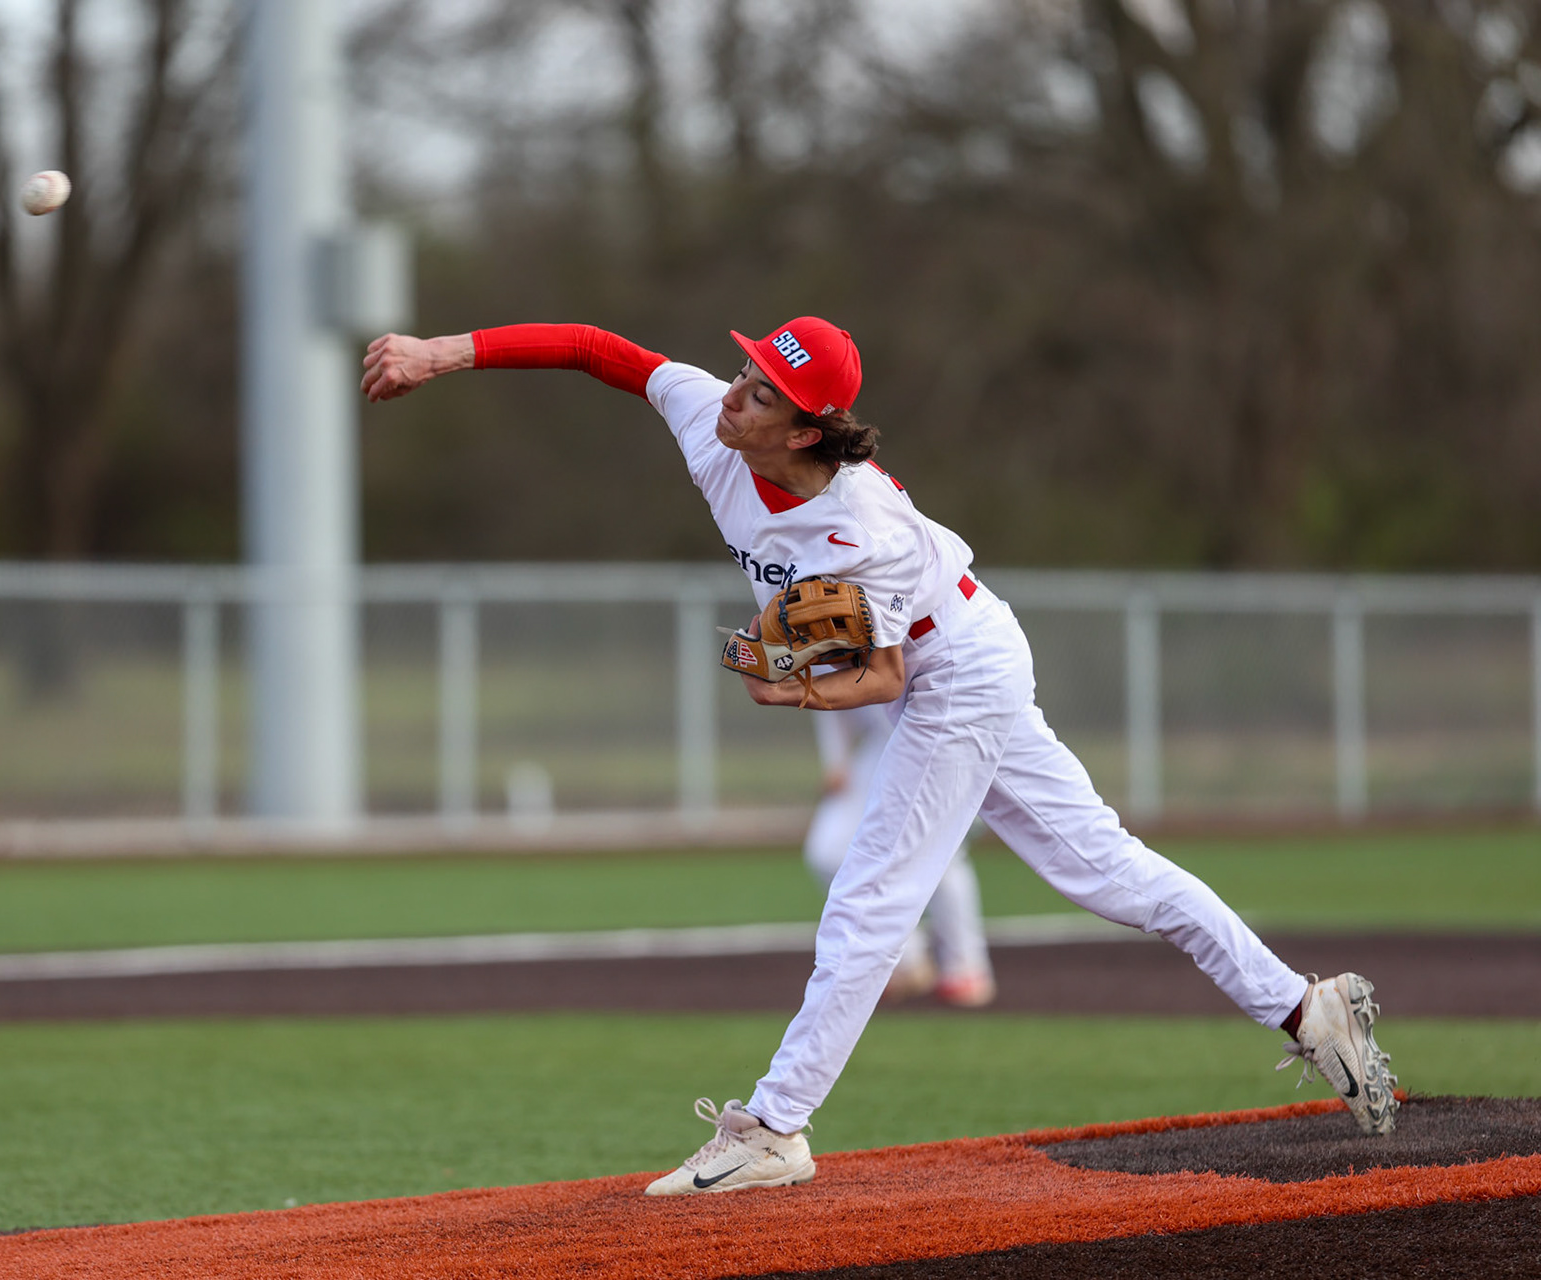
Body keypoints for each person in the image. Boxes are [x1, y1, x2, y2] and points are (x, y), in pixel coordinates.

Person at [359, 317, 1399, 1198]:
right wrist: (441, 353)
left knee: (873, 892)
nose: (736, 394)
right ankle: (1308, 1007)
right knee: (1105, 866)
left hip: (956, 666)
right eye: (746, 370)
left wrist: (790, 686)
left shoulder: (858, 528)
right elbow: (595, 349)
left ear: (807, 427)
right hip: (960, 650)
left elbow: (890, 676)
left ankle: (774, 1126)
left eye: (764, 392)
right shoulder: (711, 420)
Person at [808, 704, 995, 1009]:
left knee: (941, 855)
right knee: (827, 851)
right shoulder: (818, 655)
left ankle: (966, 966)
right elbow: (824, 692)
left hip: (938, 740)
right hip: (883, 747)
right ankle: (907, 962)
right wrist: (836, 760)